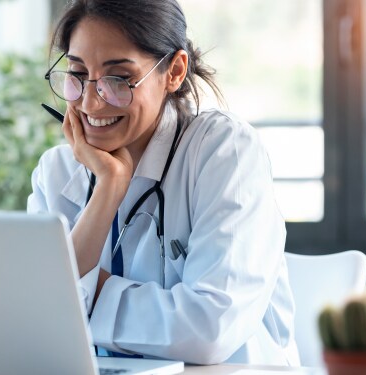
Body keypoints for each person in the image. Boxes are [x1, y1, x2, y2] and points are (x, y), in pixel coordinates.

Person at [27, 0, 299, 366]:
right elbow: (37, 324)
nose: (91, 102)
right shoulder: (57, 172)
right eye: (77, 75)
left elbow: (208, 330)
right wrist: (108, 188)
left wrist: (87, 296)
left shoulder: (223, 151)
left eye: (118, 78)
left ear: (174, 71)